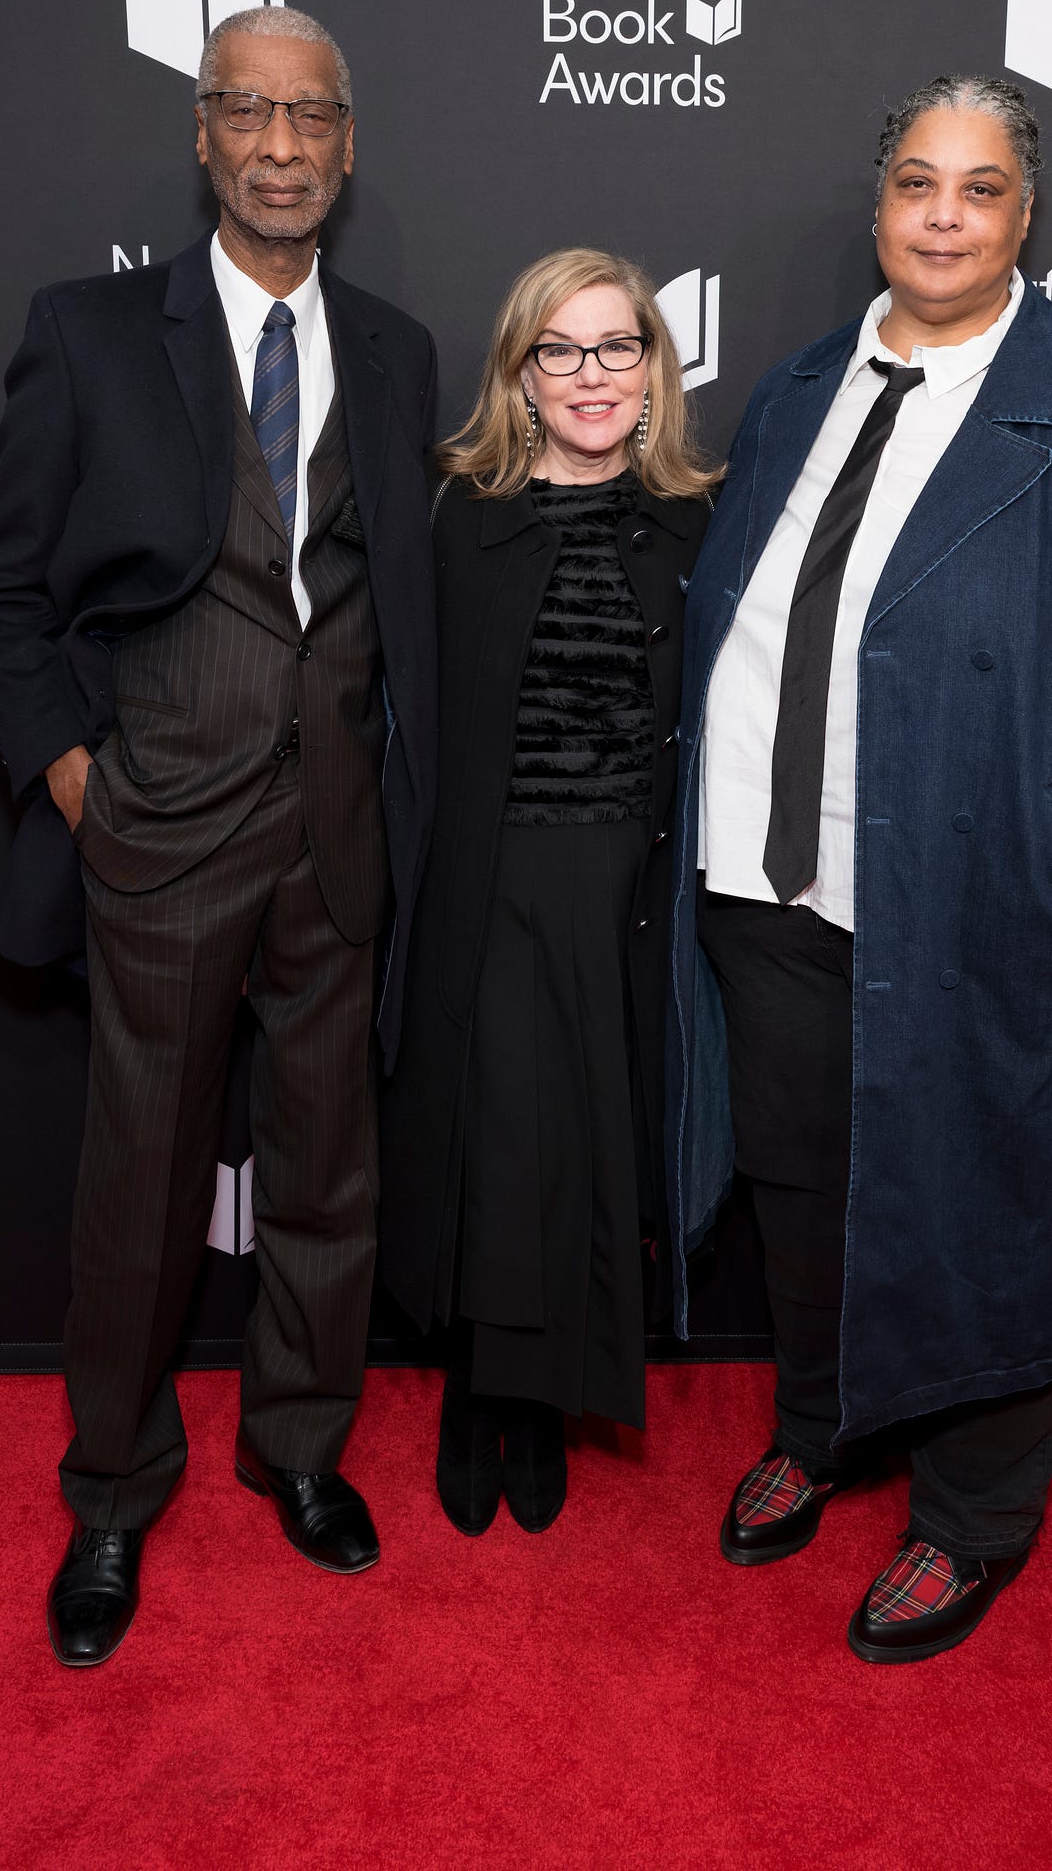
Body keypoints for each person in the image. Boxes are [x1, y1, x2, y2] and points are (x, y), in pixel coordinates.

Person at [666, 76, 1052, 1663]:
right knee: (806, 1188)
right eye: (920, 185)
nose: (944, 215)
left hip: (988, 898)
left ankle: (970, 1514)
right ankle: (830, 1419)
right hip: (772, 885)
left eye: (982, 189)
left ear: (1024, 217)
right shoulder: (802, 387)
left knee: (1003, 1201)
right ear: (877, 210)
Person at [0, 5, 438, 1666]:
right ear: (205, 136)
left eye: (313, 115)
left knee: (328, 1169)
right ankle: (110, 1491)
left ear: (348, 146)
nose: (283, 143)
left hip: (339, 830)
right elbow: (0, 592)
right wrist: (78, 779)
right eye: (249, 109)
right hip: (159, 826)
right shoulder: (88, 333)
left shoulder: (394, 347)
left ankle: (301, 1446)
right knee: (138, 1182)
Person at [378, 249, 717, 1534]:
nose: (591, 376)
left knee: (589, 1145)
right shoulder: (463, 516)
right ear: (520, 374)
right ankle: (486, 1390)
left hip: (631, 895)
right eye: (559, 351)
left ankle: (553, 1389)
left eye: (617, 347)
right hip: (494, 878)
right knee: (497, 1143)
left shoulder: (698, 518)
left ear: (652, 369)